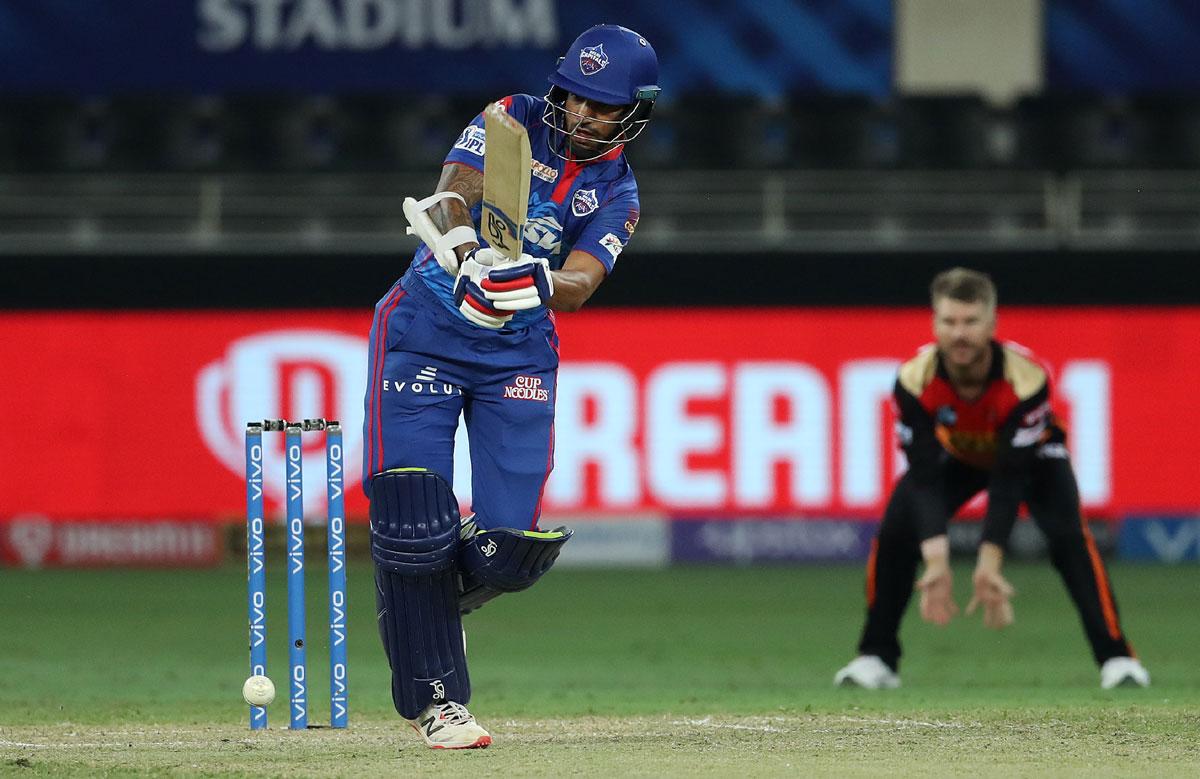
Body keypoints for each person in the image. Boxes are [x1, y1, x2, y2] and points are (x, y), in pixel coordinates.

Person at [361, 24, 660, 749]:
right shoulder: (510, 117)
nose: (581, 114)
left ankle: (417, 605)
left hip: (518, 353)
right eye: (575, 96)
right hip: (427, 328)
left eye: (601, 106)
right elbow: (453, 194)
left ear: (634, 114)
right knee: (415, 518)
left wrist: (533, 281)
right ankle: (439, 701)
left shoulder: (618, 192)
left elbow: (582, 283)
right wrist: (466, 257)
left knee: (508, 550)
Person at [834, 267, 1149, 691]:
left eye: (970, 322)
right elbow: (924, 477)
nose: (959, 334)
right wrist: (938, 561)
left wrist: (988, 562)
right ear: (934, 323)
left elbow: (1009, 476)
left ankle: (1117, 659)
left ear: (992, 324)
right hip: (959, 456)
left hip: (1033, 458)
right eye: (949, 322)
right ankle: (875, 658)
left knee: (1070, 537)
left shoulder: (1026, 380)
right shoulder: (914, 380)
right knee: (895, 531)